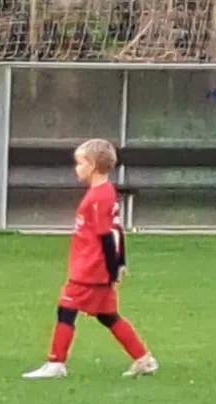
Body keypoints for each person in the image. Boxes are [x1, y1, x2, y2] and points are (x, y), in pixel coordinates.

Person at [24, 138, 158, 379]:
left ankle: (56, 363)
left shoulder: (99, 197)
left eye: (80, 163)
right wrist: (119, 263)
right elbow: (117, 230)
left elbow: (107, 235)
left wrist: (112, 268)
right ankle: (143, 359)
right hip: (94, 267)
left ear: (93, 165)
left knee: (66, 309)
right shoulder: (104, 192)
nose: (76, 168)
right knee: (108, 316)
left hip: (90, 269)